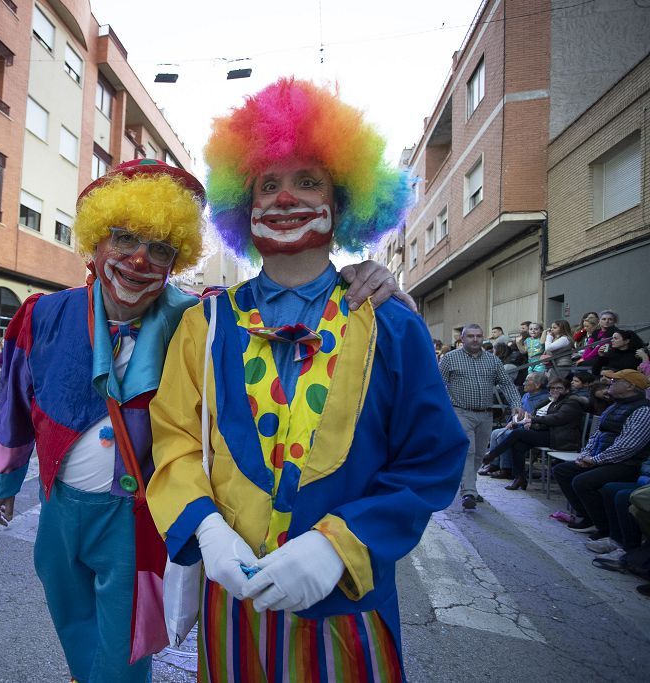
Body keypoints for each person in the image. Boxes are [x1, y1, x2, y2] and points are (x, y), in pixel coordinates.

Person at [0, 157, 407, 683]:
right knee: (70, 619)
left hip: (135, 517)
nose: (139, 260)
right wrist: (2, 478)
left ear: (176, 258)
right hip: (58, 508)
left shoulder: (198, 319)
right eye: (122, 238)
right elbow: (15, 402)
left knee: (123, 646)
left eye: (159, 248)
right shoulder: (42, 314)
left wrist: (367, 273)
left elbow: (276, 301)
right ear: (95, 242)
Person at [145, 80, 468, 681]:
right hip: (233, 606)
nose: (286, 197)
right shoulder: (205, 323)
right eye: (268, 184)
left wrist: (339, 546)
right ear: (245, 205)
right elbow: (175, 438)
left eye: (308, 181)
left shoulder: (389, 322)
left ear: (342, 203)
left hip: (347, 608)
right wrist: (206, 528)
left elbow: (431, 459)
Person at [553, 369, 650, 540]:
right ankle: (588, 516)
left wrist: (595, 460)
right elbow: (598, 434)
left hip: (627, 464)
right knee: (562, 470)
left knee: (583, 481)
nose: (610, 383)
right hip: (603, 458)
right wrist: (586, 454)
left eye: (615, 381)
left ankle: (603, 526)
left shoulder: (643, 410)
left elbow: (627, 447)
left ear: (630, 386)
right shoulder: (615, 406)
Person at [441, 324, 524, 508]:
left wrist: (516, 404)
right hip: (461, 412)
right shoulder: (449, 358)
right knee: (468, 451)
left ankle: (468, 484)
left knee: (479, 454)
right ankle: (469, 493)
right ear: (462, 339)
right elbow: (438, 384)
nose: (475, 339)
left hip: (486, 414)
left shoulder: (492, 361)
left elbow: (507, 384)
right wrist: (444, 408)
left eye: (478, 336)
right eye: (470, 336)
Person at [482, 377, 585, 490]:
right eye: (552, 388)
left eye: (559, 388)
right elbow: (537, 416)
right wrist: (531, 422)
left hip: (561, 439)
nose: (555, 390)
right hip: (546, 433)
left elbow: (557, 419)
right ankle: (519, 478)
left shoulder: (571, 403)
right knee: (518, 445)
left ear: (567, 390)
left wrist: (533, 420)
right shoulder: (551, 401)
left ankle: (492, 455)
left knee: (517, 434)